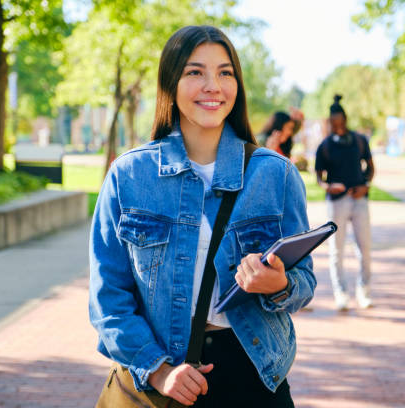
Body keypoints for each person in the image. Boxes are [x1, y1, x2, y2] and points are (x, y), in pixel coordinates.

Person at [89, 25, 315, 407]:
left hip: (254, 376)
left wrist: (277, 284)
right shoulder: (128, 177)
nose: (213, 85)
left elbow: (304, 282)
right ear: (171, 83)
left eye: (225, 73)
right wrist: (159, 371)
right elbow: (108, 300)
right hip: (161, 377)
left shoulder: (276, 175)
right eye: (195, 72)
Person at [314, 94, 375, 310]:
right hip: (336, 202)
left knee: (364, 248)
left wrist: (366, 185)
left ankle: (364, 291)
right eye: (333, 122)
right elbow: (319, 178)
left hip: (359, 200)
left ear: (345, 119)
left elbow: (370, 167)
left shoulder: (359, 140)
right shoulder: (325, 146)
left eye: (339, 121)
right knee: (336, 251)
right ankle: (341, 294)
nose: (336, 125)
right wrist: (328, 187)